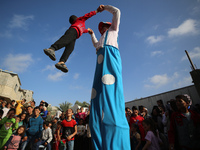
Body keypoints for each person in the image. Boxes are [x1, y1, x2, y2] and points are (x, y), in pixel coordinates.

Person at [88, 5, 131, 150]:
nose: (103, 29)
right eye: (101, 28)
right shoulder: (100, 39)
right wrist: (92, 34)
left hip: (111, 55)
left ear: (109, 25)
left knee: (110, 84)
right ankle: (99, 135)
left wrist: (104, 7)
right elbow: (95, 44)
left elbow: (117, 11)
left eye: (104, 26)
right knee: (97, 90)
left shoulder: (114, 30)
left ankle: (115, 127)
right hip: (100, 58)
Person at [43, 5, 104, 73]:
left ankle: (61, 62)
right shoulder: (80, 20)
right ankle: (52, 48)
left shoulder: (81, 26)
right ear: (76, 18)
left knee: (70, 48)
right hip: (73, 31)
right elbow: (87, 15)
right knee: (65, 40)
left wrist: (88, 31)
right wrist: (97, 11)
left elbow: (82, 30)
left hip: (75, 36)